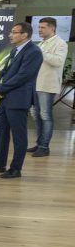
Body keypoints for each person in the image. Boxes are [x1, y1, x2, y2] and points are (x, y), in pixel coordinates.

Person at [0, 22, 44, 178]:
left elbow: (23, 76)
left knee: (19, 136)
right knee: (1, 133)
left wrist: (0, 89)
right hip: (5, 98)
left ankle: (16, 169)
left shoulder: (34, 51)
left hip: (18, 99)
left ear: (24, 35)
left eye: (14, 32)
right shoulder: (16, 49)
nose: (10, 35)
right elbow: (5, 72)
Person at [30, 17, 69, 157]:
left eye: (43, 27)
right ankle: (39, 143)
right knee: (36, 115)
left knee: (45, 115)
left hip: (47, 85)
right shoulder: (41, 43)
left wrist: (41, 52)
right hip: (35, 84)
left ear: (52, 28)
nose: (39, 30)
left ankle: (44, 147)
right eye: (39, 27)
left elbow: (58, 61)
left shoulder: (60, 43)